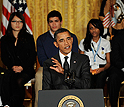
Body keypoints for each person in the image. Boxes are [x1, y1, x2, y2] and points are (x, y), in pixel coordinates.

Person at [1, 12, 36, 107]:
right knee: (8, 79)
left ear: (23, 23)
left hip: (27, 70)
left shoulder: (29, 38)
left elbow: (32, 56)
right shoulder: (4, 40)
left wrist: (22, 67)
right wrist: (13, 67)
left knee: (19, 80)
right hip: (12, 69)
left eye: (20, 21)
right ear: (10, 23)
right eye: (15, 21)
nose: (17, 24)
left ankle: (15, 105)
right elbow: (4, 57)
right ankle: (8, 104)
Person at [79, 19, 111, 89]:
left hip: (101, 68)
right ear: (88, 30)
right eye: (91, 28)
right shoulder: (83, 42)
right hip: (88, 68)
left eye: (96, 27)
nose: (94, 30)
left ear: (100, 28)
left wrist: (102, 69)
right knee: (88, 81)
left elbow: (108, 62)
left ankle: (98, 99)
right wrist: (87, 69)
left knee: (101, 79)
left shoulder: (106, 43)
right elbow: (81, 60)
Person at [108, 30, 124, 107]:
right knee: (113, 77)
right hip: (121, 67)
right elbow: (115, 58)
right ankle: (113, 105)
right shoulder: (117, 38)